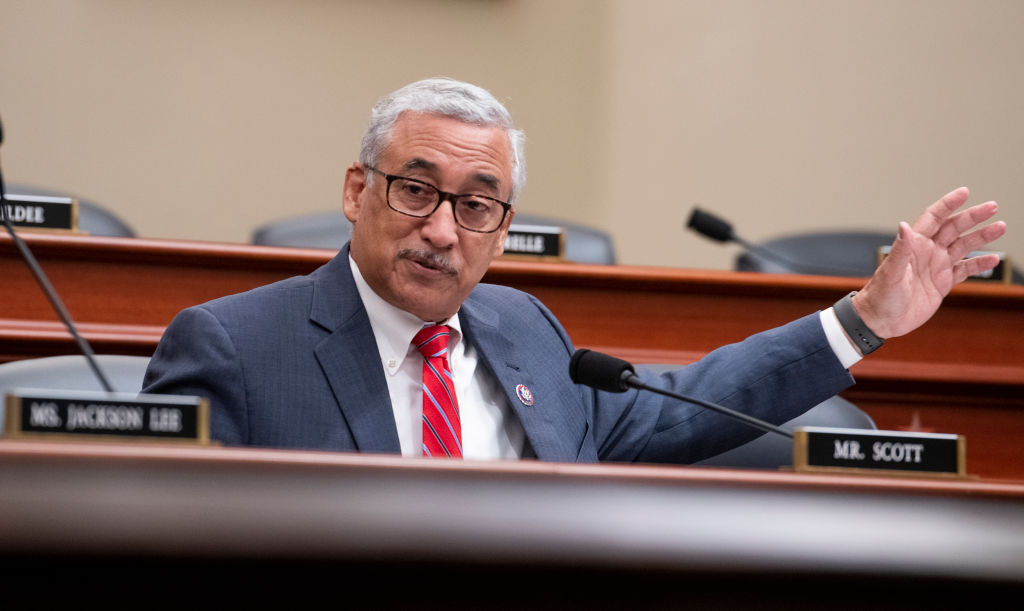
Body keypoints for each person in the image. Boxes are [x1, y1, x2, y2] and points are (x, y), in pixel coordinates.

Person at [141, 77, 1006, 463]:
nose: (443, 229)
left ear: (503, 228)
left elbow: (685, 408)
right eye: (416, 191)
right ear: (356, 190)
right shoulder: (236, 345)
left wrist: (865, 319)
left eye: (476, 205)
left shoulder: (526, 331)